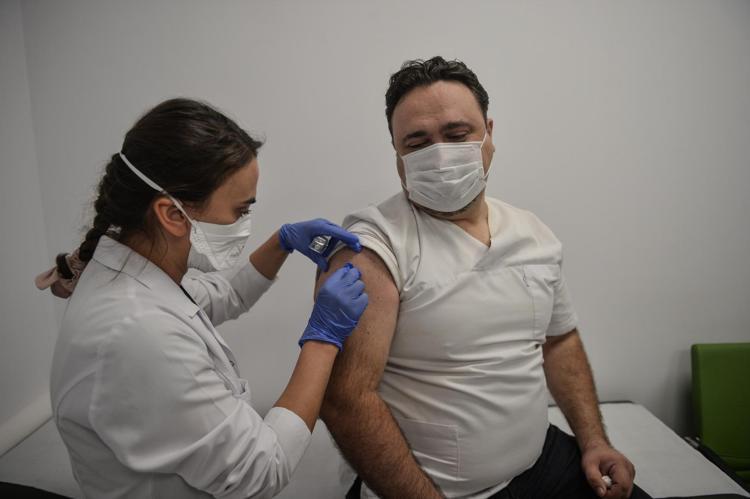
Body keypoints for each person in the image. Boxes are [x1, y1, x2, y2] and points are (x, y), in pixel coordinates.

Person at [316, 57, 652, 499]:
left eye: (457, 134)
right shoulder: (374, 247)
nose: (440, 154)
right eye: (417, 142)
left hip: (545, 461)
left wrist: (593, 441)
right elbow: (345, 400)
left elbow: (560, 340)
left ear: (489, 133)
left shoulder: (532, 233)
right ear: (396, 153)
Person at [38, 98, 368, 499]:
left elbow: (225, 296)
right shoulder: (138, 332)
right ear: (172, 214)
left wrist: (282, 243)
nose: (244, 223)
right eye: (240, 211)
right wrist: (324, 337)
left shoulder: (132, 266)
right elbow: (262, 470)